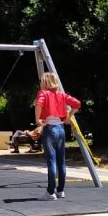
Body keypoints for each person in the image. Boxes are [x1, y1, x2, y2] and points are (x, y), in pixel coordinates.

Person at [34, 72, 81, 200]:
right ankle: (60, 190)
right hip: (60, 129)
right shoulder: (61, 94)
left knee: (51, 161)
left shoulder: (43, 93)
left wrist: (38, 119)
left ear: (45, 82)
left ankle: (50, 192)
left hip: (49, 128)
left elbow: (38, 104)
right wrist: (68, 117)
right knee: (61, 161)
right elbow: (77, 103)